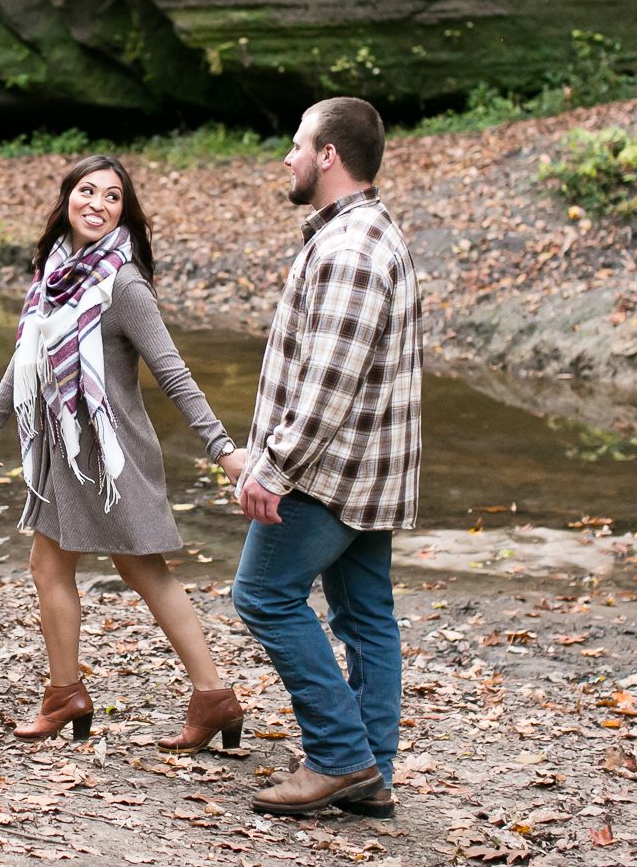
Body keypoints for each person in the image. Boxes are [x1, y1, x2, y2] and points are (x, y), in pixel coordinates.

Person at [0, 154, 251, 753]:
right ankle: (66, 692)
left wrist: (223, 449)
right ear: (67, 197)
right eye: (87, 191)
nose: (98, 204)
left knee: (144, 568)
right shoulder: (54, 273)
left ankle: (212, 695)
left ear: (125, 211)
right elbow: (30, 358)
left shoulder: (123, 284)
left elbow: (173, 374)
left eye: (114, 197)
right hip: (61, 452)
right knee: (49, 567)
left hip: (111, 455)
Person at [227, 98, 423, 819]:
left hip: (328, 473)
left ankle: (341, 757)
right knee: (366, 614)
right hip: (368, 473)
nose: (288, 157)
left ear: (329, 156)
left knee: (264, 596)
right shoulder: (369, 233)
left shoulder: (348, 250)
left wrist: (270, 469)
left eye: (297, 144)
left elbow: (328, 384)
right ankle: (370, 772)